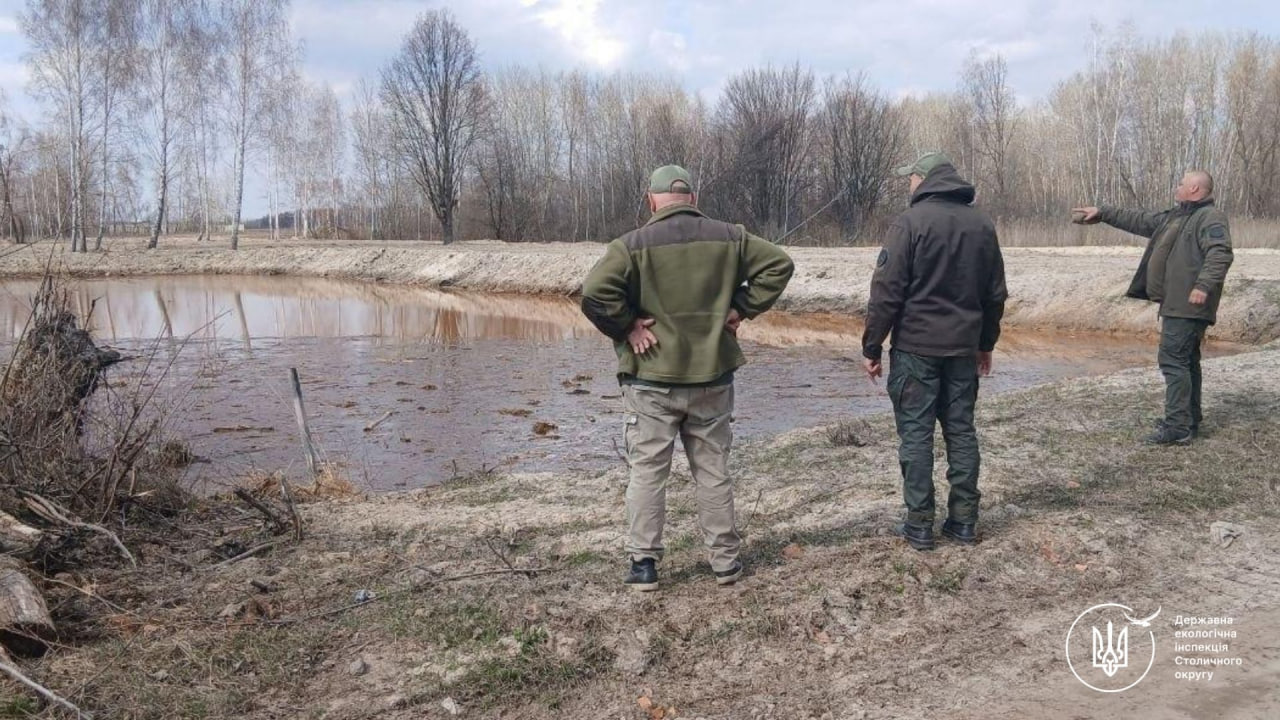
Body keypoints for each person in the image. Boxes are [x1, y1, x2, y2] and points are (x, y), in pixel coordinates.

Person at [580, 165, 794, 591]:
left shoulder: (631, 245)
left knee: (647, 473)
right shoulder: (731, 236)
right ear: (693, 199)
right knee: (713, 470)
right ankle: (725, 564)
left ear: (651, 200)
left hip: (650, 380)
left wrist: (628, 328)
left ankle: (644, 565)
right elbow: (780, 265)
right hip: (712, 378)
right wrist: (741, 308)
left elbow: (593, 295)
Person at [861, 152, 1007, 551]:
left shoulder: (910, 223)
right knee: (961, 431)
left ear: (922, 179)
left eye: (909, 178)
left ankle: (920, 525)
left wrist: (872, 346)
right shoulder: (982, 224)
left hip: (915, 350)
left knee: (916, 435)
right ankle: (964, 522)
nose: (908, 185)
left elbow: (886, 292)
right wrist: (985, 345)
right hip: (962, 349)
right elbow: (996, 294)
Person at [1073, 171, 1233, 446]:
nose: (1177, 186)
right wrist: (1103, 213)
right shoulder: (1178, 217)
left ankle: (1178, 426)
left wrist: (1203, 286)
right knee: (1186, 362)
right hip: (1176, 303)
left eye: (1181, 183)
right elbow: (1141, 220)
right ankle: (1188, 420)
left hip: (1188, 304)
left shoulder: (1209, 217)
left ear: (1194, 189)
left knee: (1173, 361)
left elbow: (1221, 253)